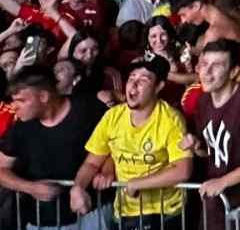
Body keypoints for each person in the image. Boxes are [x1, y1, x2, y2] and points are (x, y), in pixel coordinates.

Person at [70, 57, 193, 230]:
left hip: (165, 212)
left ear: (158, 87)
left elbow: (183, 170)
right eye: (131, 78)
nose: (133, 85)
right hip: (124, 210)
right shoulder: (112, 116)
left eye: (143, 80)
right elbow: (92, 162)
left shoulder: (171, 119)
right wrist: (78, 187)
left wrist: (137, 183)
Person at [0, 65, 108, 230]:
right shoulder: (21, 128)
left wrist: (108, 170)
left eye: (21, 100)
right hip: (41, 220)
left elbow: (116, 146)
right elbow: (1, 169)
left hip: (93, 214)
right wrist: (30, 188)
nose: (14, 106)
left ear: (43, 96)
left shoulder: (89, 110)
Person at [182, 39, 240, 230]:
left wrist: (223, 182)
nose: (207, 72)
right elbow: (210, 152)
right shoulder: (203, 102)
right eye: (204, 64)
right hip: (215, 200)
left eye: (217, 65)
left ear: (234, 72)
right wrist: (196, 145)